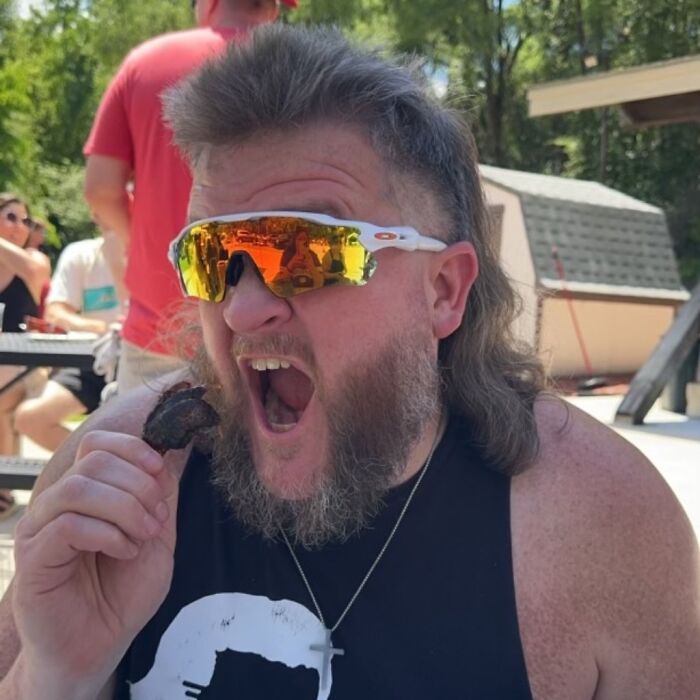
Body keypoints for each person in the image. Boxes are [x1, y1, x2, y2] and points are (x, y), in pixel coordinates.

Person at [0, 25, 698, 698]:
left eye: (305, 252)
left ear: (443, 290)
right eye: (212, 258)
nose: (242, 310)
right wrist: (55, 677)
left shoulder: (603, 526)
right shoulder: (108, 493)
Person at [83, 0, 296, 394]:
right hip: (271, 330)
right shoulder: (300, 64)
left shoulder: (145, 63)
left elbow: (101, 190)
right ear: (273, 9)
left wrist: (140, 244)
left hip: (157, 328)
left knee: (143, 435)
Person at [13, 234, 124, 452]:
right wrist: (106, 329)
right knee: (29, 418)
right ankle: (100, 458)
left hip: (144, 360)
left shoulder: (158, 250)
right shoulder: (82, 254)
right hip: (95, 358)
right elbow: (55, 313)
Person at [0, 194, 51, 522]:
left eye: (26, 220)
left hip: (31, 363)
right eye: (11, 217)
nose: (20, 226)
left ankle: (3, 489)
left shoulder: (35, 260)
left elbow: (31, 269)